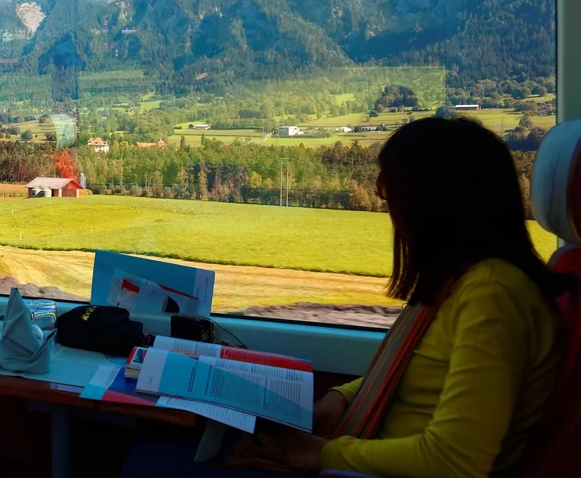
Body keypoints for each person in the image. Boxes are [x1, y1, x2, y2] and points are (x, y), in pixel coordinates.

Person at [121, 116, 569, 478]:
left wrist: (324, 454)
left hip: (367, 466)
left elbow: (455, 460)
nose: (389, 212)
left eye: (392, 196)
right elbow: (417, 376)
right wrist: (341, 399)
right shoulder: (463, 282)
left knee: (150, 462)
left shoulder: (493, 297)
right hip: (365, 449)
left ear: (434, 206)